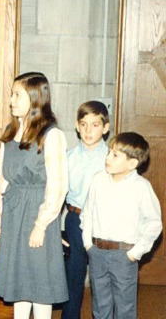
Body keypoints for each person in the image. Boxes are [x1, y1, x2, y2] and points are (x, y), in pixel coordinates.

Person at [0, 72, 68, 319]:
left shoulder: (51, 135)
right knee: (19, 281)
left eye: (17, 95)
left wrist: (41, 224)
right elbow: (2, 178)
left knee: (39, 282)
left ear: (35, 98)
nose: (11, 100)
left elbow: (57, 186)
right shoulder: (11, 131)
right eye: (11, 94)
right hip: (14, 211)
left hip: (37, 211)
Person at [81, 132, 162, 319]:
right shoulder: (98, 180)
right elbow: (88, 213)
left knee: (124, 307)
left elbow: (154, 223)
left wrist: (135, 253)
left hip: (124, 256)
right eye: (109, 152)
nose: (108, 157)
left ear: (132, 164)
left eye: (115, 155)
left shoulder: (141, 187)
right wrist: (88, 245)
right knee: (100, 306)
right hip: (97, 253)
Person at [61, 101, 110, 319]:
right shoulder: (67, 158)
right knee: (74, 273)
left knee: (102, 276)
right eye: (84, 124)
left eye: (95, 125)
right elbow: (57, 195)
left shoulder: (112, 158)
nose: (89, 131)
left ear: (105, 128)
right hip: (75, 218)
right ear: (77, 126)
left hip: (103, 221)